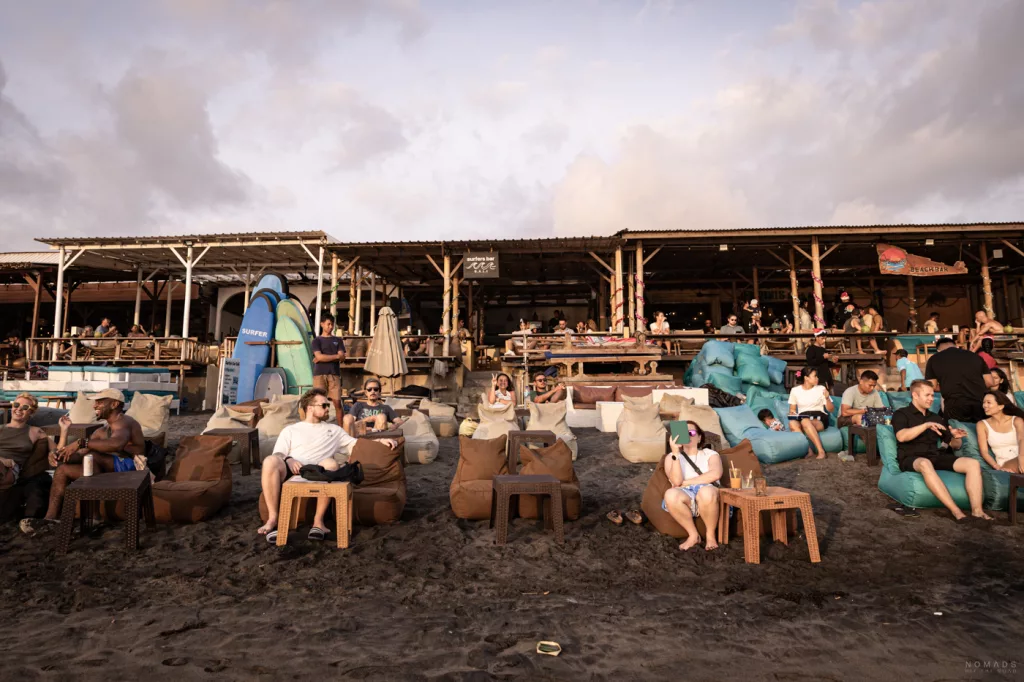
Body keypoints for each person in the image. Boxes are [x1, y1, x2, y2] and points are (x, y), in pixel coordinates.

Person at [257, 388, 397, 542]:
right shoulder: (291, 430)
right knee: (270, 461)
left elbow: (356, 444)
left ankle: (318, 522)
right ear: (310, 408)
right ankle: (272, 519)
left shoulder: (333, 430)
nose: (327, 408)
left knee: (331, 464)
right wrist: (289, 459)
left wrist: (379, 441)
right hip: (293, 469)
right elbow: (278, 454)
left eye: (327, 405)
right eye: (323, 405)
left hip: (320, 471)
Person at [27, 389, 146, 532]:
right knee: (62, 470)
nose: (95, 406)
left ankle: (94, 517)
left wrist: (80, 443)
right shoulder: (101, 431)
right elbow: (81, 454)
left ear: (114, 404)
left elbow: (117, 444)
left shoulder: (124, 421)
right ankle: (49, 519)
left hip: (131, 468)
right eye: (95, 402)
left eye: (100, 402)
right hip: (107, 470)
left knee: (92, 456)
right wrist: (62, 455)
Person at [892, 381, 990, 521]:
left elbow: (955, 445)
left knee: (972, 464)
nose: (931, 398)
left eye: (932, 395)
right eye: (927, 395)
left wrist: (956, 437)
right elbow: (901, 437)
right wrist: (925, 426)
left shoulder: (936, 417)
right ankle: (956, 511)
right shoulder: (901, 414)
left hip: (935, 455)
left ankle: (977, 511)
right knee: (925, 463)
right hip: (911, 458)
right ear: (915, 395)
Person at [661, 422, 721, 551]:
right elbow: (676, 482)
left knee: (706, 491)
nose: (688, 436)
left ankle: (710, 535)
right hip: (685, 496)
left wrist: (687, 482)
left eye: (692, 433)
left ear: (699, 437)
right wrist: (675, 453)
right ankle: (693, 535)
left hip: (708, 494)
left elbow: (715, 474)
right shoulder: (670, 458)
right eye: (684, 433)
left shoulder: (709, 454)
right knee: (670, 494)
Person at [925, 338, 990, 422]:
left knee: (956, 432)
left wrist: (948, 385)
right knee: (981, 432)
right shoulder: (975, 356)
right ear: (956, 346)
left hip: (953, 405)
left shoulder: (934, 359)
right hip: (979, 403)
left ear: (938, 350)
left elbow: (932, 386)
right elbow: (989, 382)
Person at [1, 394, 53, 490]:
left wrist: (64, 430)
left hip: (10, 470)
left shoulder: (35, 431)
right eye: (16, 405)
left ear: (31, 412)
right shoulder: (1, 429)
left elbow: (56, 451)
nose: (19, 409)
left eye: (25, 407)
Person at [788, 367, 834, 460]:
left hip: (819, 418)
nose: (817, 378)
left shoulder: (821, 388)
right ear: (806, 378)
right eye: (815, 376)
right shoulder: (795, 390)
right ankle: (809, 450)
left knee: (805, 421)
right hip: (803, 417)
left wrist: (827, 398)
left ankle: (821, 451)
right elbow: (792, 409)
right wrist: (792, 413)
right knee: (792, 423)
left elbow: (831, 409)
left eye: (817, 376)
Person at [311, 314, 346, 425]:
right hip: (319, 375)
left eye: (332, 324)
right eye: (328, 324)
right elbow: (320, 356)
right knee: (319, 403)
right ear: (322, 324)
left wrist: (323, 357)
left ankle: (341, 429)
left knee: (337, 403)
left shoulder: (338, 340)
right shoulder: (317, 341)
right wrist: (335, 356)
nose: (330, 327)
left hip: (334, 375)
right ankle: (318, 426)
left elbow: (342, 357)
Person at [977, 392, 1024, 474]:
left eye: (988, 402)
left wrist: (1021, 457)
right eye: (983, 402)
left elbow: (1022, 439)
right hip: (1006, 462)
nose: (984, 405)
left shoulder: (1017, 420)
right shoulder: (982, 425)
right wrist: (997, 467)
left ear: (1000, 406)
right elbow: (984, 451)